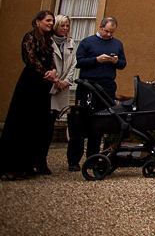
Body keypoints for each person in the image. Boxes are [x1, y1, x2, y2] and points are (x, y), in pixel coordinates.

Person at [0, 11, 57, 180]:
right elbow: (30, 59)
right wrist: (46, 73)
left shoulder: (48, 40)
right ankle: (11, 166)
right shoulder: (29, 37)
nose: (50, 23)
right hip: (30, 82)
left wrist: (53, 71)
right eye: (48, 20)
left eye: (52, 21)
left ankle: (28, 164)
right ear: (38, 21)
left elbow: (51, 58)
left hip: (44, 85)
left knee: (37, 124)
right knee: (21, 123)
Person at [75, 16, 126, 164]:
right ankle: (74, 160)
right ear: (100, 27)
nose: (109, 35)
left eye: (112, 32)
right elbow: (79, 62)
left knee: (101, 122)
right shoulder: (87, 42)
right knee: (82, 122)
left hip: (107, 86)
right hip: (89, 85)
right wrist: (96, 60)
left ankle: (93, 157)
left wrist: (116, 61)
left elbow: (123, 64)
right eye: (107, 31)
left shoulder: (117, 44)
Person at [49, 15, 81, 171]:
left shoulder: (70, 43)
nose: (65, 28)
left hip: (63, 86)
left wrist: (66, 81)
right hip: (49, 84)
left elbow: (73, 64)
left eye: (67, 26)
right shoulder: (47, 42)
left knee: (53, 119)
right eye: (62, 25)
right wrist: (54, 80)